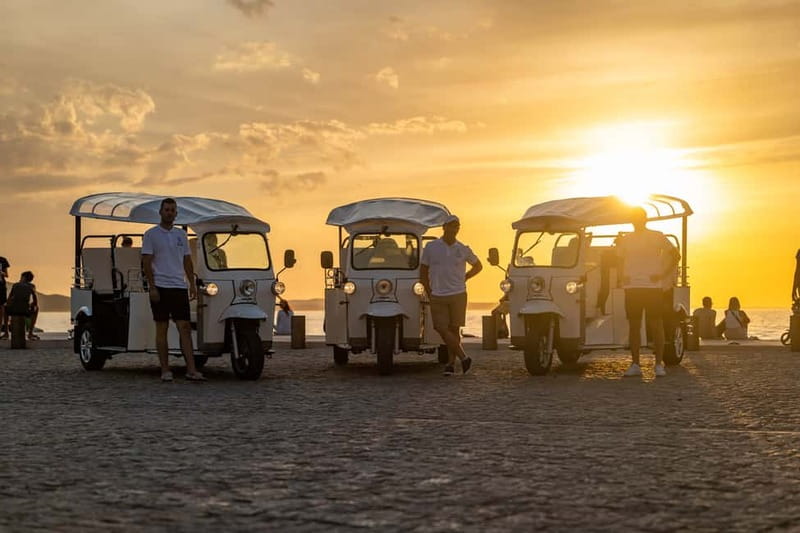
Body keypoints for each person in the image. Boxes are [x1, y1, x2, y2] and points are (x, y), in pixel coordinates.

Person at [142, 198, 205, 382]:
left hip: (179, 286)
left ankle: (191, 370)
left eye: (172, 210)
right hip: (160, 286)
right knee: (161, 328)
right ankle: (165, 370)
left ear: (176, 214)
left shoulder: (181, 235)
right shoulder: (151, 234)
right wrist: (152, 287)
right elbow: (146, 261)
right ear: (161, 212)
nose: (169, 212)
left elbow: (187, 260)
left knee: (184, 327)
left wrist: (192, 284)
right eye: (167, 209)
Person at [616, 207, 680, 378]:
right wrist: (622, 276)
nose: (636, 221)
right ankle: (635, 364)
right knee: (634, 326)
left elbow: (675, 255)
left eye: (639, 218)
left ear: (645, 219)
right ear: (631, 220)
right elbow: (619, 259)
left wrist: (664, 275)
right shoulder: (626, 239)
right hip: (632, 287)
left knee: (656, 324)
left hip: (653, 287)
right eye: (634, 218)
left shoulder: (657, 236)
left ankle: (658, 364)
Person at [420, 214, 483, 376]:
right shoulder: (431, 247)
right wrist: (429, 291)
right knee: (440, 327)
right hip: (437, 293)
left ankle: (450, 364)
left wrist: (466, 277)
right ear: (444, 227)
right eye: (451, 226)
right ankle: (464, 357)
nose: (454, 229)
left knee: (454, 330)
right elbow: (423, 270)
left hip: (458, 293)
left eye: (456, 226)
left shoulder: (463, 249)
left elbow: (478, 265)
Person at [6, 271, 39, 340]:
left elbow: (9, 298)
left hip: (13, 310)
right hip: (25, 310)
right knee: (37, 308)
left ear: (23, 277)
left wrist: (10, 306)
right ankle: (30, 333)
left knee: (4, 308)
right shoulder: (32, 286)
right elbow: (35, 299)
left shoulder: (15, 285)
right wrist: (33, 306)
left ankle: (6, 332)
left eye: (21, 277)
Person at [0, 255, 9, 339]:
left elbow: (7, 275)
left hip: (1, 287)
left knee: (3, 309)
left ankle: (5, 332)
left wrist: (2, 273)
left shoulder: (2, 260)